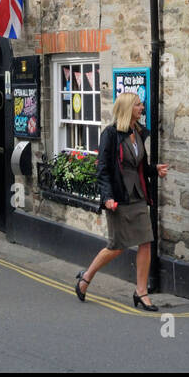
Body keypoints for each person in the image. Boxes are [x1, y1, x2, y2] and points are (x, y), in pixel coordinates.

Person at [74, 92, 168, 310]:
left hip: (138, 196)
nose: (142, 107)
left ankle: (141, 292)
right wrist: (107, 197)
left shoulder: (138, 132)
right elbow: (103, 169)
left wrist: (155, 170)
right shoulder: (110, 134)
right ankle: (86, 277)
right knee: (117, 246)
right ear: (128, 108)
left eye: (141, 104)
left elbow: (139, 167)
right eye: (138, 105)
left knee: (146, 241)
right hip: (118, 198)